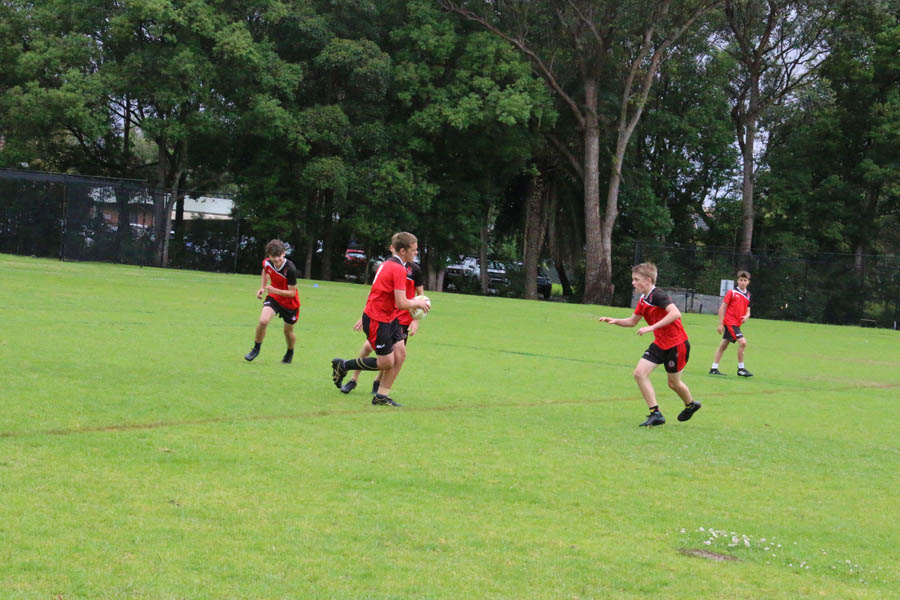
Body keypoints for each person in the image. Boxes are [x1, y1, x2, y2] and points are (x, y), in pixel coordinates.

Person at [331, 232, 430, 407]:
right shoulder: (398, 269)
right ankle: (343, 366)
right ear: (402, 251)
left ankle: (381, 396)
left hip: (389, 317)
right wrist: (417, 303)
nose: (416, 253)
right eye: (414, 250)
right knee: (386, 362)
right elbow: (401, 303)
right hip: (378, 319)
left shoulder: (388, 264)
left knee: (400, 354)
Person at [598, 263, 701, 427]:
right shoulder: (643, 299)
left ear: (647, 280)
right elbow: (632, 321)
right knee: (639, 373)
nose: (633, 283)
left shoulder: (658, 295)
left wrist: (651, 327)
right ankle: (656, 414)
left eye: (636, 279)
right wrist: (614, 320)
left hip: (677, 345)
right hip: (660, 344)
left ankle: (691, 405)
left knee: (673, 384)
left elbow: (675, 313)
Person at [341, 259, 424, 396]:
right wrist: (365, 314)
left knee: (393, 355)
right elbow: (376, 292)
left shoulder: (414, 269)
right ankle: (353, 379)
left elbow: (421, 296)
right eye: (414, 250)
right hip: (384, 315)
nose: (415, 253)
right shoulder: (390, 266)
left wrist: (416, 320)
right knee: (368, 347)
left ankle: (378, 383)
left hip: (403, 319)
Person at [244, 239, 300, 364]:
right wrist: (262, 287)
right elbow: (265, 271)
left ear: (284, 253)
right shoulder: (267, 263)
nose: (277, 259)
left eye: (279, 256)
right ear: (269, 256)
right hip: (274, 298)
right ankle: (256, 349)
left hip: (290, 303)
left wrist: (274, 290)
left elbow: (292, 293)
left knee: (288, 331)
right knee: (263, 321)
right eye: (274, 257)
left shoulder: (290, 269)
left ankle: (290, 351)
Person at [710, 270, 753, 377]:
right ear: (737, 281)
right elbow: (722, 308)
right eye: (741, 280)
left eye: (745, 280)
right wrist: (720, 324)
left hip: (737, 324)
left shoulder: (748, 295)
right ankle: (741, 369)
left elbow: (748, 310)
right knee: (743, 343)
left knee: (723, 345)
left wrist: (746, 316)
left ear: (748, 282)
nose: (742, 282)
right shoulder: (732, 292)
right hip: (730, 322)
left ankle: (714, 368)